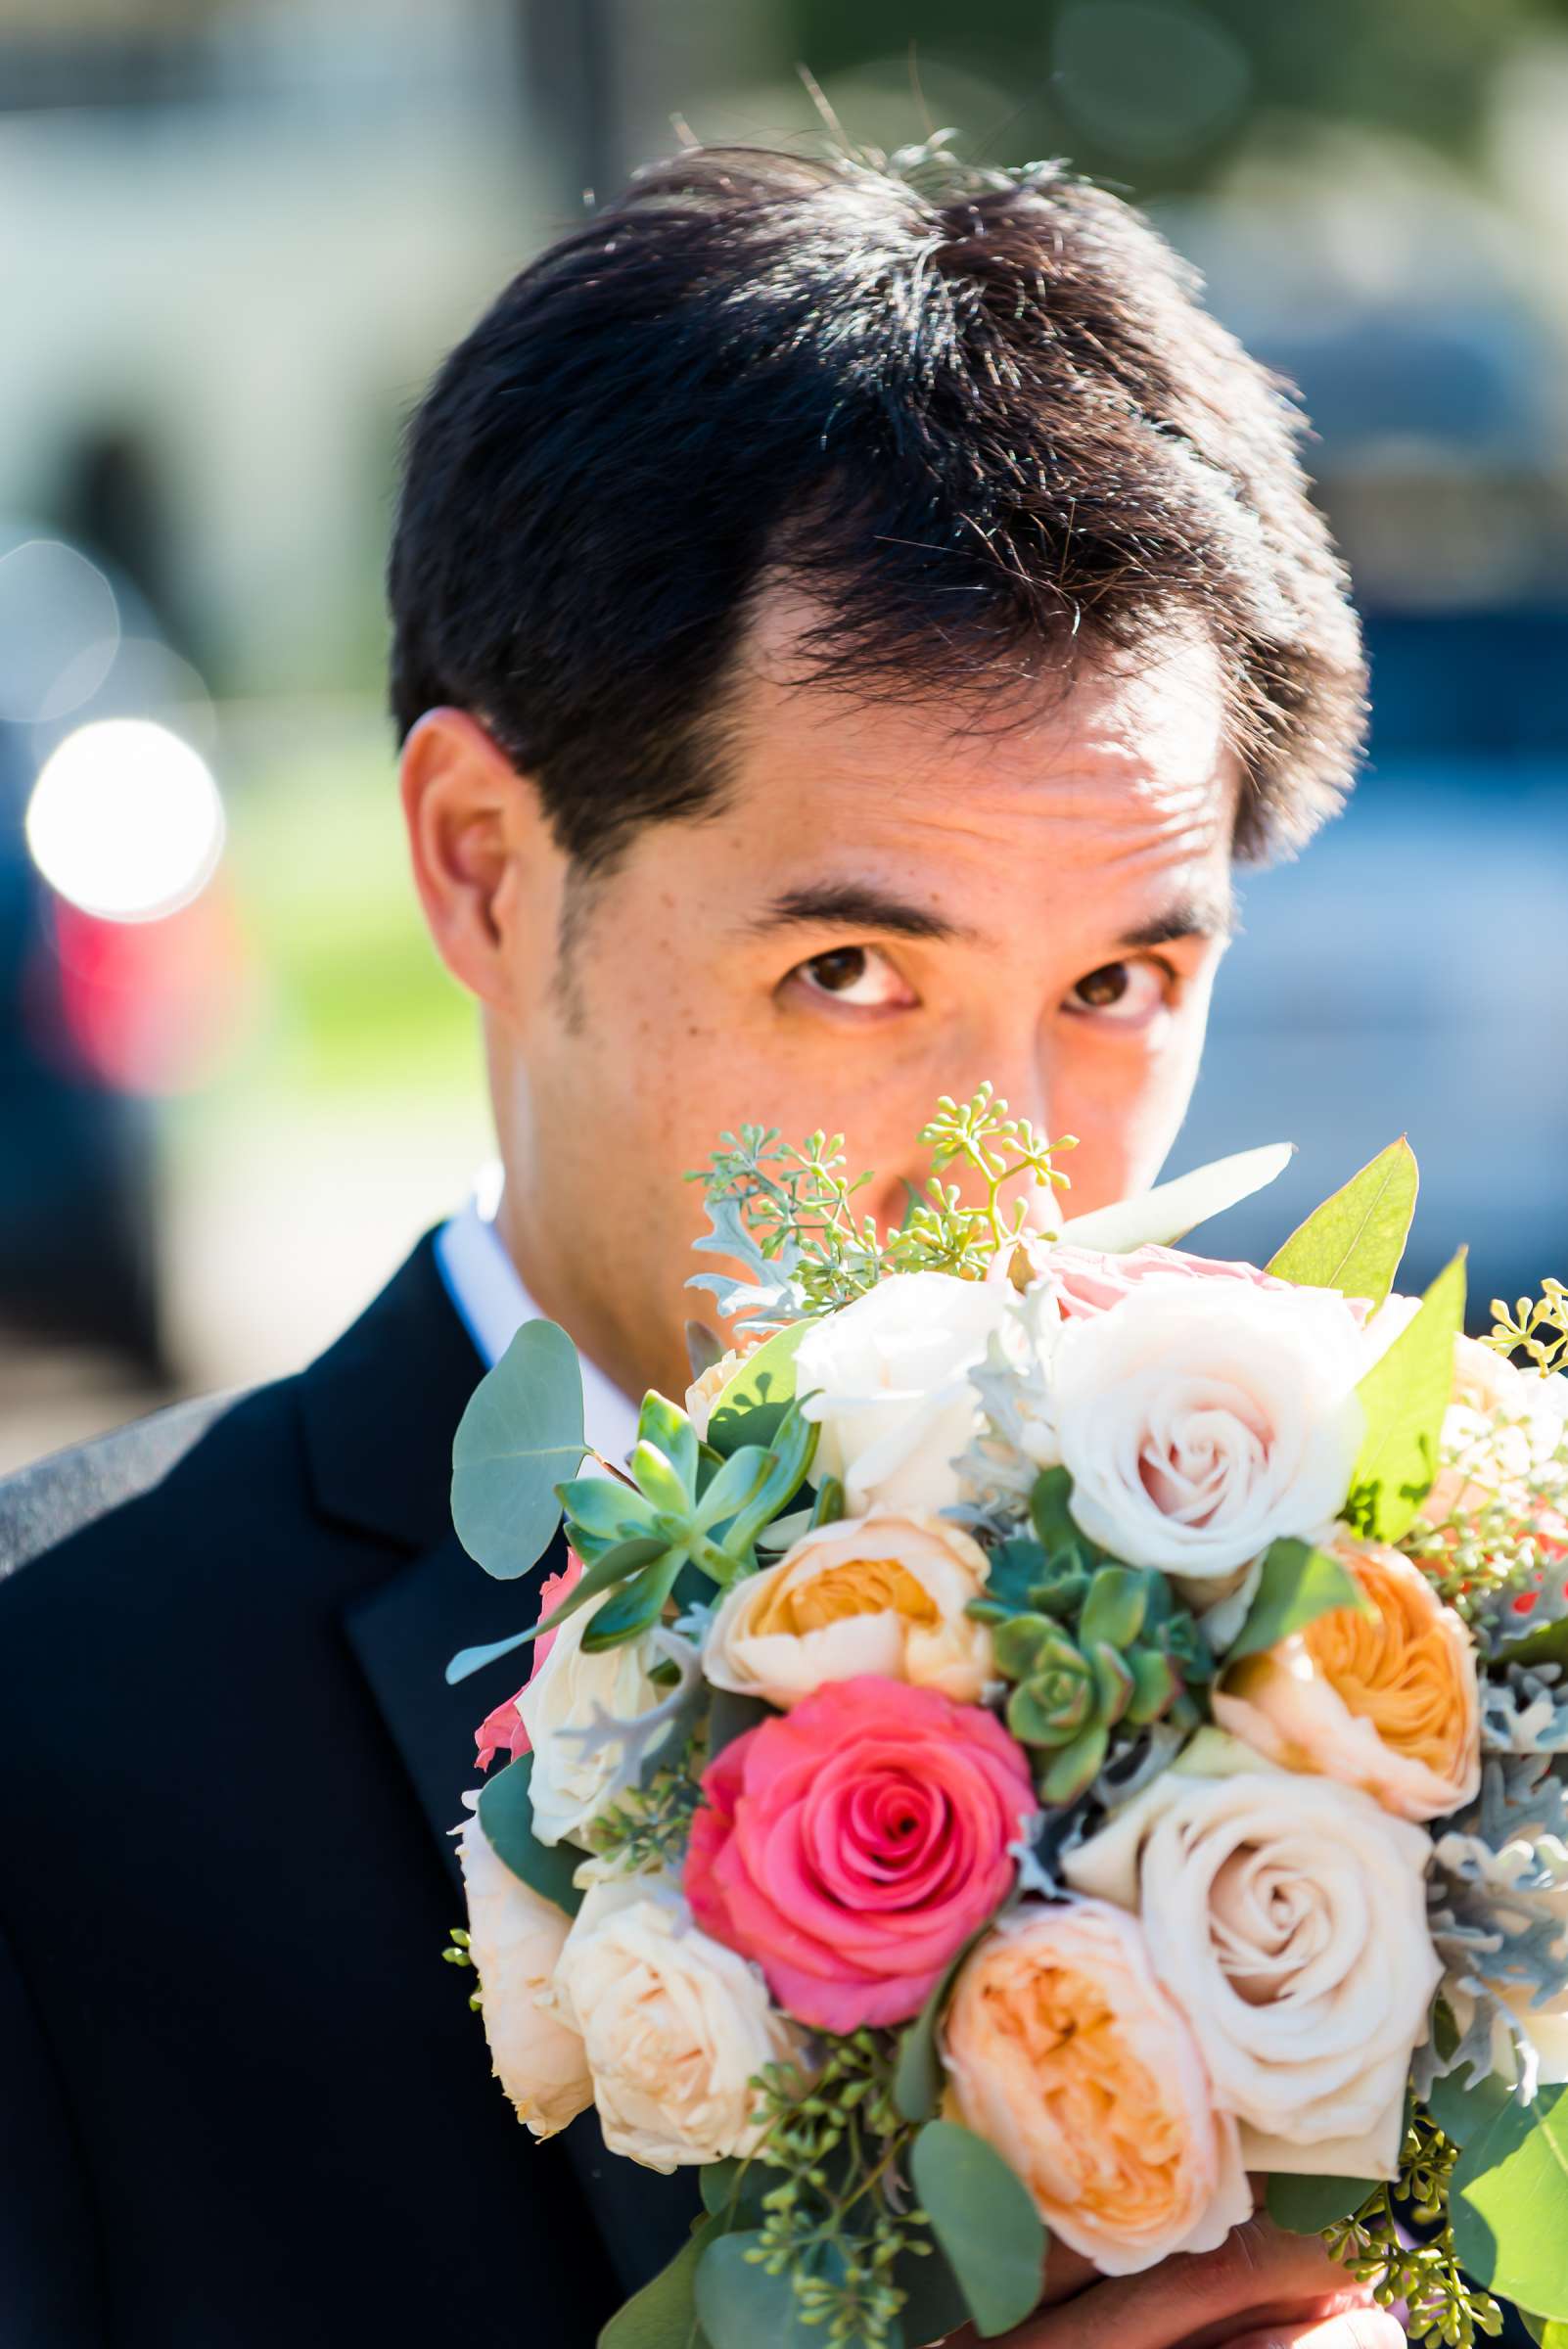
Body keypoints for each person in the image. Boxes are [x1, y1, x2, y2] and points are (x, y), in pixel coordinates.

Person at [0, 141, 1398, 2349]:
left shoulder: (1387, 1690)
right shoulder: (47, 1735)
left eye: (1119, 986)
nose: (1006, 1172)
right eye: (853, 970)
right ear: (480, 868)